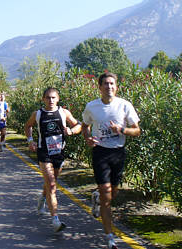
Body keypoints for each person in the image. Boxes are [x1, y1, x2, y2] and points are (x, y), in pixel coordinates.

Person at [82, 72, 141, 249]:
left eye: (112, 84)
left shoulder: (124, 105)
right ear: (99, 87)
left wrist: (122, 130)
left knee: (112, 194)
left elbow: (137, 130)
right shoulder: (92, 106)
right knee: (107, 197)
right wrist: (88, 139)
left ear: (116, 87)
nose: (109, 87)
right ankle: (110, 238)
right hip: (100, 152)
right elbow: (85, 125)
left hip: (118, 153)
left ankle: (97, 198)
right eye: (105, 84)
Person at [24, 87, 82, 232]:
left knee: (51, 183)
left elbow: (78, 125)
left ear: (58, 99)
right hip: (44, 153)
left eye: (53, 98)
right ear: (43, 99)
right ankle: (55, 219)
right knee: (51, 185)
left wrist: (71, 131)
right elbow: (28, 126)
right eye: (48, 98)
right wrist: (30, 140)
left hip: (59, 153)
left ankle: (42, 199)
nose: (50, 100)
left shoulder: (63, 112)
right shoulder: (38, 114)